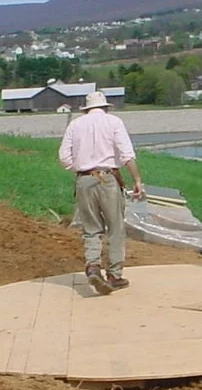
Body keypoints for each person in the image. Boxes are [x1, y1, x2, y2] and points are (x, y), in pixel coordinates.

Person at [58, 91, 144, 295]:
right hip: (108, 178)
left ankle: (93, 266)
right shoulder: (114, 122)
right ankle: (114, 274)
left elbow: (63, 157)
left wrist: (81, 167)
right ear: (106, 107)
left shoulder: (75, 125)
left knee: (91, 228)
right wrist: (137, 180)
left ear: (86, 109)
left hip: (84, 179)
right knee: (115, 227)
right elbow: (126, 154)